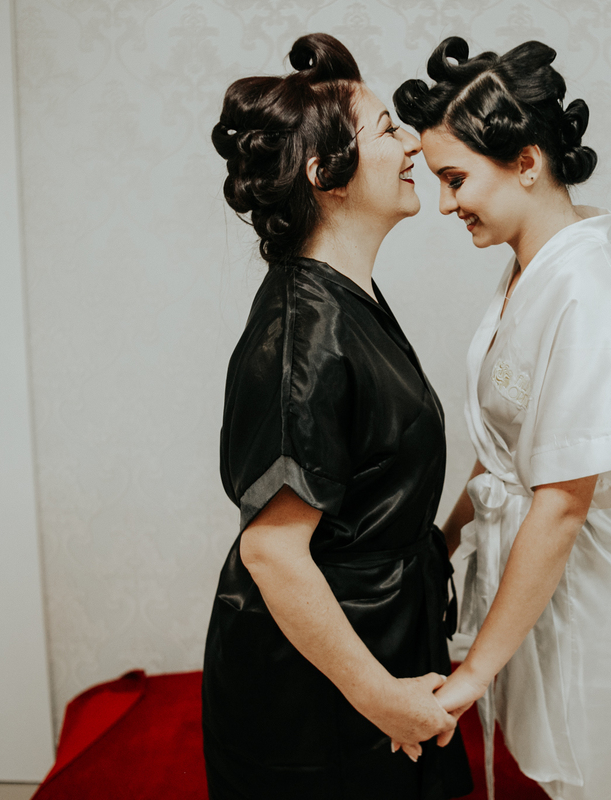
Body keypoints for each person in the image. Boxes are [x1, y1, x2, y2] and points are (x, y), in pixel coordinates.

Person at [394, 37, 611, 800]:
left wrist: (471, 676)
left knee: (598, 781)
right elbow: (504, 453)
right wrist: (443, 544)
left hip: (596, 593)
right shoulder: (531, 269)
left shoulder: (586, 292)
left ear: (526, 162)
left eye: (456, 179)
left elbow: (560, 504)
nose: (445, 204)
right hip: (538, 576)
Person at [202, 33, 473, 800]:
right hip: (315, 700)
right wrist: (380, 696)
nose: (413, 143)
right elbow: (272, 552)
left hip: (381, 641)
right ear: (325, 174)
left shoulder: (346, 297)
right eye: (388, 130)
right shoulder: (304, 334)